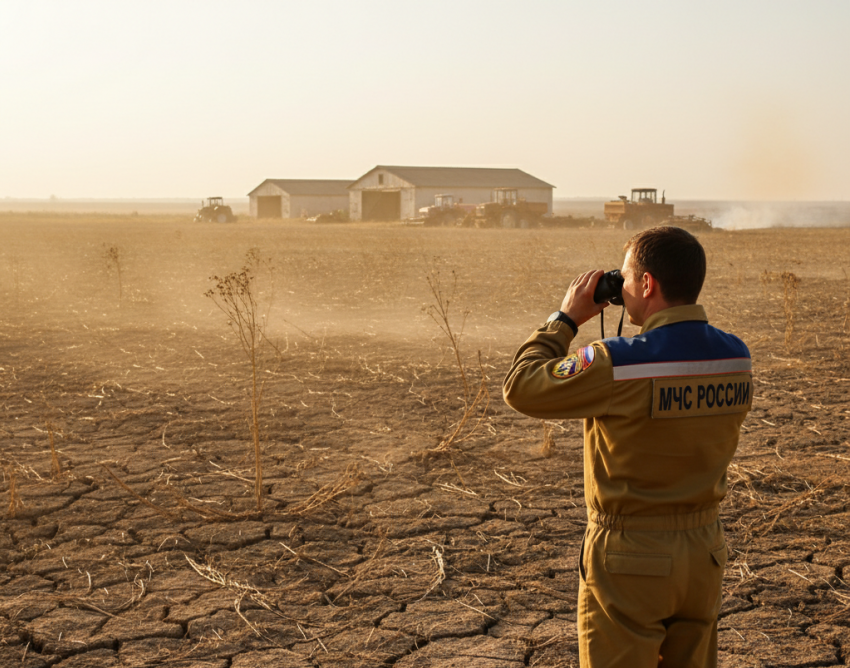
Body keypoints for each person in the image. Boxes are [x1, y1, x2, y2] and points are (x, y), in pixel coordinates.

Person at [503, 226, 752, 668]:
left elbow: (521, 387)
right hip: (704, 552)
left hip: (629, 556)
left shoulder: (618, 361)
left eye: (625, 277)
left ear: (647, 283)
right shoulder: (735, 357)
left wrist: (565, 319)